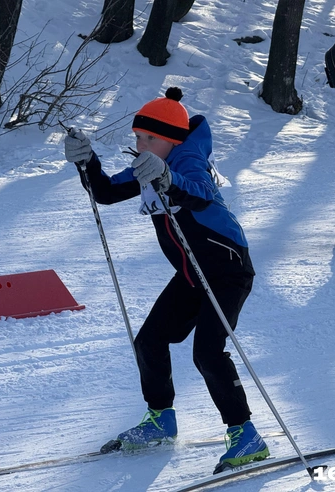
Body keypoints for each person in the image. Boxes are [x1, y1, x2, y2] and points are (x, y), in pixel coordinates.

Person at [64, 87, 269, 470]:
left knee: (207, 352)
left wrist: (168, 178)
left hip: (227, 271)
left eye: (149, 138)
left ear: (171, 139)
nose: (140, 143)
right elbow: (106, 192)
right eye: (138, 137)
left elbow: (201, 194)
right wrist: (87, 161)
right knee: (150, 341)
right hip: (192, 273)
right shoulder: (149, 163)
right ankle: (161, 419)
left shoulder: (188, 159)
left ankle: (246, 435)